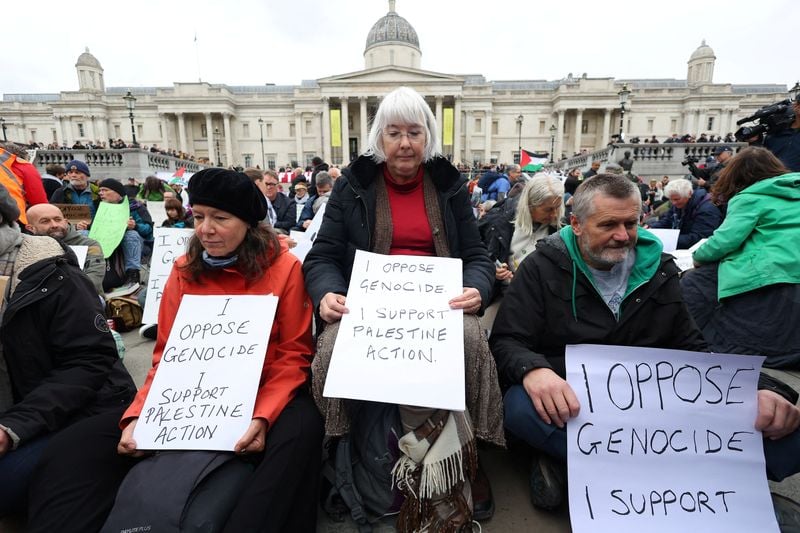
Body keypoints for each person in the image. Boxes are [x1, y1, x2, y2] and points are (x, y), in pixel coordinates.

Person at [26, 167, 324, 532]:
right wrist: (138, 415)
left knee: (300, 434)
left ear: (248, 222)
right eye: (198, 216)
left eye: (220, 218)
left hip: (264, 392)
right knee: (76, 445)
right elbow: (167, 355)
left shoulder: (285, 268)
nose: (205, 229)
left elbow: (293, 355)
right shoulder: (184, 269)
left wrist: (261, 415)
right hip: (187, 398)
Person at [490, 173, 800, 512]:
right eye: (608, 225)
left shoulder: (662, 270)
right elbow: (508, 340)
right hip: (576, 401)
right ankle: (687, 481)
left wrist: (757, 388)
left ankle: (580, 467)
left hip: (654, 406)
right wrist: (533, 370)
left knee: (786, 425)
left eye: (631, 223)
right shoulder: (540, 268)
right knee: (519, 406)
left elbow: (692, 348)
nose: (623, 236)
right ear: (576, 224)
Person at [303, 86, 504, 530]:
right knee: (333, 348)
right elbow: (322, 256)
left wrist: (476, 288)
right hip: (369, 303)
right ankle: (340, 450)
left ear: (428, 136)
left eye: (414, 132)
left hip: (438, 303)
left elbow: (476, 254)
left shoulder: (449, 187)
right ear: (379, 138)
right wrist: (327, 294)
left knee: (471, 339)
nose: (405, 143)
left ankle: (465, 455)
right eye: (394, 132)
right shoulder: (352, 186)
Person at [0, 183, 135, 517]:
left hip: (76, 410)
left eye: (58, 219)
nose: (56, 226)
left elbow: (89, 360)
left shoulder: (54, 270)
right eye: (45, 221)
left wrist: (11, 428)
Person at [683, 146, 800, 368]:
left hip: (773, 273)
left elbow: (725, 241)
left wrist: (698, 257)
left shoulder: (750, 197)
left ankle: (693, 351)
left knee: (693, 283)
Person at [482, 175, 564, 286]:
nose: (555, 214)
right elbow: (479, 254)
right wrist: (492, 269)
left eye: (558, 207)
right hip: (505, 292)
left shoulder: (564, 227)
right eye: (548, 210)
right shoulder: (501, 219)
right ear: (530, 205)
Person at [25, 203, 106, 294]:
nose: (54, 225)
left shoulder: (89, 244)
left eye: (58, 219)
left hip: (85, 296)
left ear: (65, 221)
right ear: (31, 228)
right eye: (45, 221)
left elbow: (94, 276)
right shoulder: (26, 249)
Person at [95, 178, 154, 293]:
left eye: (105, 190)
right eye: (100, 190)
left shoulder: (136, 207)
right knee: (84, 234)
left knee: (131, 235)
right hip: (107, 242)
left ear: (117, 193)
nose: (101, 193)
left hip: (134, 244)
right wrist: (85, 226)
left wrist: (135, 226)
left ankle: (133, 275)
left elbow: (148, 230)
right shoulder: (99, 207)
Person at [648, 177, 722, 249]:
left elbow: (699, 239)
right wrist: (650, 229)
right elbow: (668, 220)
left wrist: (666, 240)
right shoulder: (680, 203)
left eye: (677, 199)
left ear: (689, 194)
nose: (673, 203)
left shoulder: (707, 210)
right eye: (671, 199)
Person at [49, 160, 99, 229]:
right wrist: (73, 226)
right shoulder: (60, 192)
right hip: (69, 232)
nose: (73, 175)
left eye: (77, 173)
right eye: (70, 172)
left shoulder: (97, 192)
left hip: (95, 230)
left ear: (87, 176)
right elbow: (53, 214)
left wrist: (88, 226)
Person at [763, 93, 800, 172]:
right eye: (798, 103)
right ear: (795, 106)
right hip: (774, 180)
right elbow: (762, 160)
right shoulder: (775, 133)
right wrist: (755, 142)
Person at [263, 169, 296, 234]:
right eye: (266, 184)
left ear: (277, 185)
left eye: (272, 184)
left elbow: (290, 223)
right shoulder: (257, 201)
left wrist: (272, 224)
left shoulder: (289, 203)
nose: (269, 187)